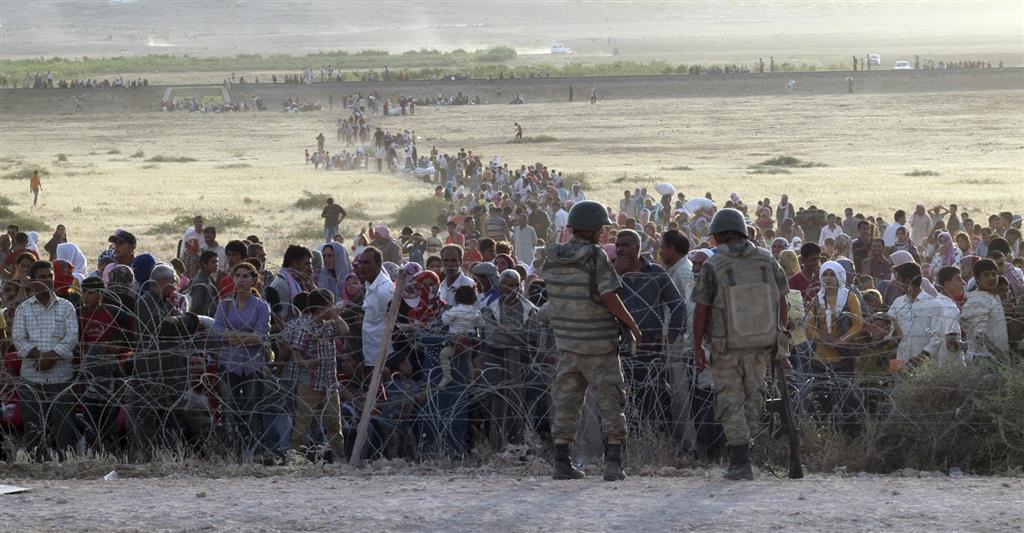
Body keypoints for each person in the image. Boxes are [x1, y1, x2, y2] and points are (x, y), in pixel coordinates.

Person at [541, 200, 641, 482]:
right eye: (600, 228)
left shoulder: (553, 255)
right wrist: (632, 325)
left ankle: (562, 462)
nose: (602, 233)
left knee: (566, 401)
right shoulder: (595, 255)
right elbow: (609, 295)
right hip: (598, 344)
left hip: (567, 342)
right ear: (592, 229)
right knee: (611, 400)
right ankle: (613, 464)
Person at [691, 208, 789, 480]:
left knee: (729, 401)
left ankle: (740, 459)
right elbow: (782, 297)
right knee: (753, 398)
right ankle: (746, 452)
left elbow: (701, 307)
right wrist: (780, 333)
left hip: (726, 347)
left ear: (719, 235)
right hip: (760, 344)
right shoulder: (766, 259)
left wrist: (698, 345)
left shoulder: (714, 264)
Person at [11, 260, 79, 460]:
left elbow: (72, 336)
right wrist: (38, 356)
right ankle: (37, 465)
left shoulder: (66, 307)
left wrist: (52, 356)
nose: (48, 280)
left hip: (61, 376)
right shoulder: (24, 309)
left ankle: (66, 464)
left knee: (65, 426)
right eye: (42, 277)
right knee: (34, 426)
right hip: (32, 376)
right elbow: (18, 338)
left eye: (50, 276)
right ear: (32, 281)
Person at [212, 262, 273, 461]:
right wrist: (245, 336)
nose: (241, 280)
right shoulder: (225, 304)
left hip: (252, 365)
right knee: (229, 410)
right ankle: (233, 452)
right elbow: (217, 331)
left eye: (246, 276)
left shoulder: (261, 306)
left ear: (254, 280)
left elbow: (262, 335)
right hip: (228, 364)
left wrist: (235, 337)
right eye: (237, 275)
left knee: (252, 409)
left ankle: (254, 452)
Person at [286, 288, 349, 462]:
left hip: (330, 383)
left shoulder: (329, 326)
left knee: (334, 425)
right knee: (302, 424)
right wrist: (307, 363)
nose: (333, 307)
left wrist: (336, 316)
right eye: (330, 304)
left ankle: (339, 459)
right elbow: (295, 354)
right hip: (310, 384)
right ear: (321, 308)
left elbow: (345, 331)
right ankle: (296, 459)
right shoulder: (306, 328)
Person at [354, 246, 394, 369]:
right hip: (371, 356)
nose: (361, 266)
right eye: (360, 262)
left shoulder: (384, 290)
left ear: (378, 265)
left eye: (366, 263)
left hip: (384, 359)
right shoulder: (369, 284)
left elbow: (394, 323)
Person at [961, 259, 1009, 358]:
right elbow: (978, 335)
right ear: (977, 279)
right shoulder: (977, 300)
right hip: (983, 358)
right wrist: (999, 354)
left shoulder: (993, 296)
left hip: (995, 357)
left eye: (993, 274)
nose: (991, 278)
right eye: (986, 275)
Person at [440, 285, 482, 388]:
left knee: (444, 355)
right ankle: (471, 381)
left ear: (456, 298)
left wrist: (445, 312)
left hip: (454, 341)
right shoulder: (476, 312)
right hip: (469, 341)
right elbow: (481, 324)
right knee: (468, 361)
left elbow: (445, 320)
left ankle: (447, 376)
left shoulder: (455, 311)